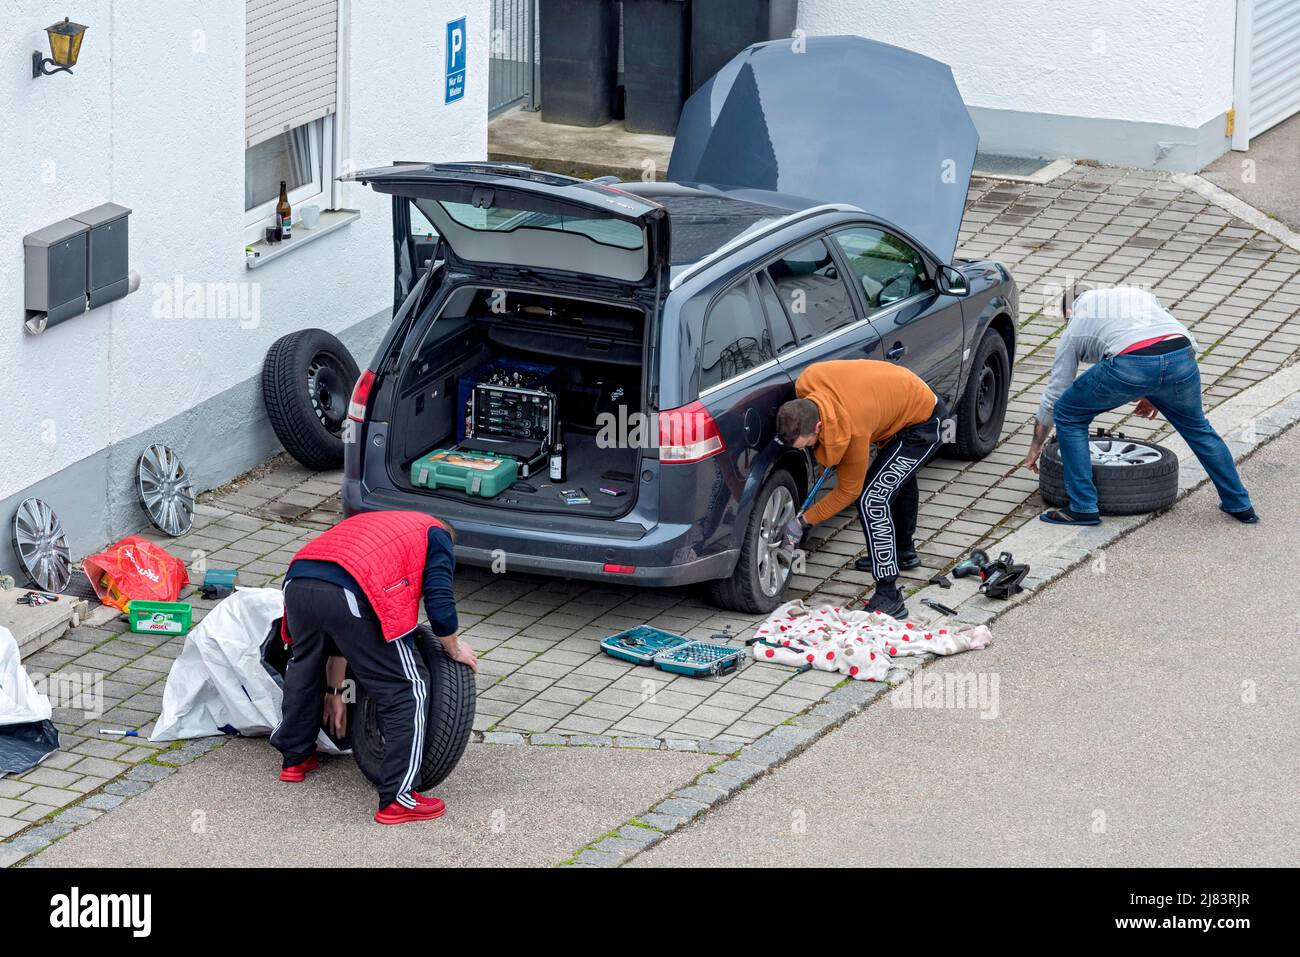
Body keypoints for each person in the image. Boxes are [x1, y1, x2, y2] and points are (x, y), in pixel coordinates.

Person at [269, 511, 478, 825]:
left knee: (304, 665)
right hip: (352, 589)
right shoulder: (437, 534)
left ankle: (295, 760)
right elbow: (439, 597)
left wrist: (337, 690)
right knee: (408, 689)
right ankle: (398, 799)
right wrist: (453, 645)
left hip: (298, 581)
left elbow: (339, 637)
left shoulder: (379, 524)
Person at [1024, 283, 1257, 526]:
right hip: (1181, 354)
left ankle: (1082, 507)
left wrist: (1036, 446)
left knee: (1068, 413)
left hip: (1132, 362)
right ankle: (1239, 504)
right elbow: (1156, 335)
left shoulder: (1075, 325)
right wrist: (1152, 390)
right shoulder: (1136, 294)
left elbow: (1055, 394)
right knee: (1198, 428)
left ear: (1069, 312)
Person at [776, 359, 948, 618]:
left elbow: (848, 492)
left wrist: (802, 522)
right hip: (896, 400)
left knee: (872, 498)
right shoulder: (807, 382)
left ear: (819, 427)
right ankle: (903, 552)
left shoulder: (852, 431)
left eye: (808, 444)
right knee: (895, 478)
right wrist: (825, 454)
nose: (808, 450)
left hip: (922, 424)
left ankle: (889, 594)